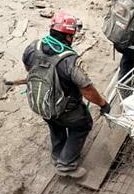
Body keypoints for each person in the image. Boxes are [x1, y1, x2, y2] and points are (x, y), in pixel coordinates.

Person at [18, 11, 111, 178]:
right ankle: (66, 164)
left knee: (55, 124)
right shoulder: (69, 60)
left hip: (41, 103)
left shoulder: (33, 47)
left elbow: (28, 69)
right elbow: (87, 90)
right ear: (69, 36)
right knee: (82, 125)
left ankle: (57, 154)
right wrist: (103, 104)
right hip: (65, 108)